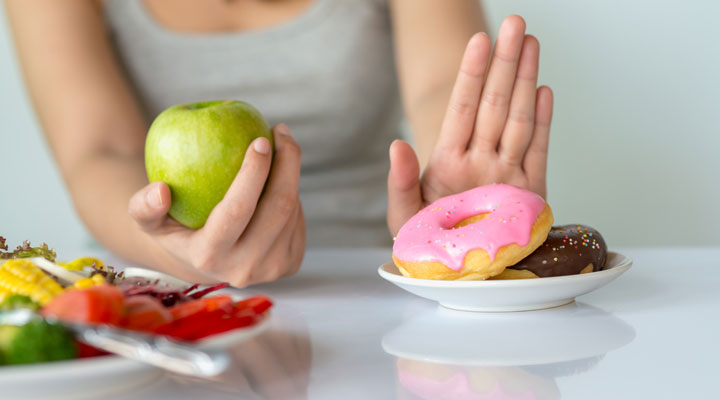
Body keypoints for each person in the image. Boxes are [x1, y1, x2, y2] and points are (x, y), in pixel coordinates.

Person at [6, 0, 553, 286]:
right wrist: (178, 255)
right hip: (159, 292)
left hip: (375, 286)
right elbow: (98, 151)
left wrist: (455, 199)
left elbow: (442, 86)